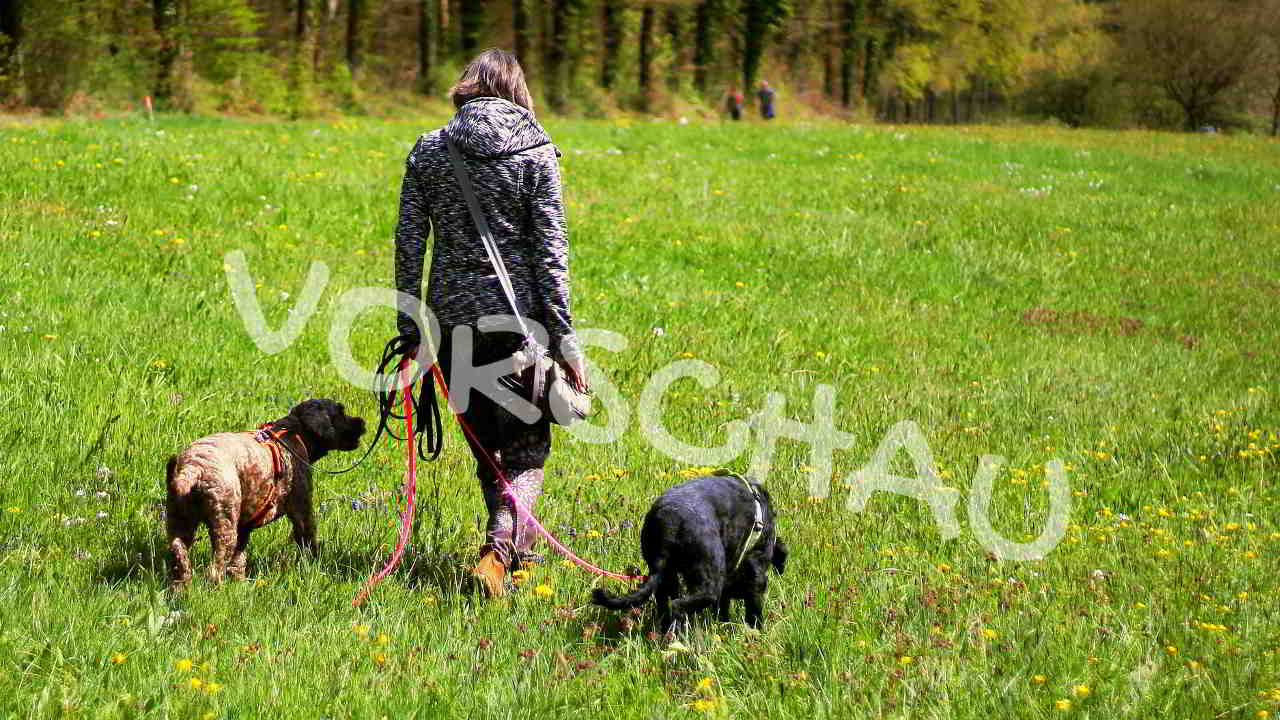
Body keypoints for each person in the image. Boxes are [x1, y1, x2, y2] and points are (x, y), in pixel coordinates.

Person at [392, 48, 586, 598]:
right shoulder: (536, 153)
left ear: (465, 89)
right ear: (518, 90)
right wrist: (568, 346)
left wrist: (411, 327)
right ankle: (499, 553)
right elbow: (551, 258)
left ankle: (511, 557)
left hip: (451, 325)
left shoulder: (429, 150)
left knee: (487, 449)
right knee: (526, 452)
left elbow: (409, 244)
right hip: (520, 327)